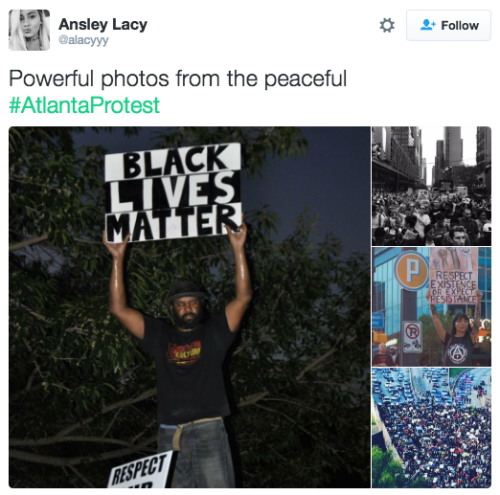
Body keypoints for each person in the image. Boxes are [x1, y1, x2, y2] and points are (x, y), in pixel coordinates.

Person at [103, 216, 252, 488]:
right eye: (180, 304)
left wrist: (238, 248)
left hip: (207, 430)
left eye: (192, 302)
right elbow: (118, 309)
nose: (187, 308)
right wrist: (117, 258)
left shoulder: (215, 333)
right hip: (168, 436)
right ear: (172, 309)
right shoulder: (160, 335)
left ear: (201, 306)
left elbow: (242, 298)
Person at [425, 289, 482, 366]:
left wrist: (478, 301)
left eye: (465, 321)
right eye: (459, 321)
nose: (463, 324)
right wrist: (431, 304)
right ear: (454, 324)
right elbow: (436, 321)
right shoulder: (447, 338)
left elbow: (477, 320)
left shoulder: (470, 339)